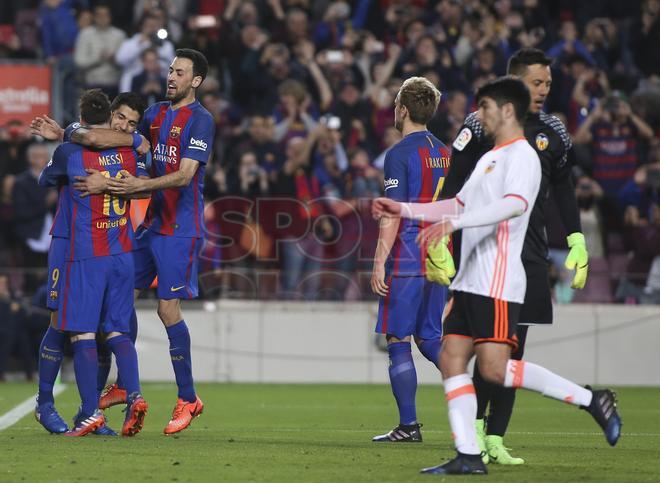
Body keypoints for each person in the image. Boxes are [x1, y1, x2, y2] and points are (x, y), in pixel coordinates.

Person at [372, 76, 621, 475]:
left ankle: (592, 400)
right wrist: (405, 211)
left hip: (498, 278)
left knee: (494, 369)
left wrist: (456, 225)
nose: (478, 116)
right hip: (468, 278)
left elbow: (514, 206)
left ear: (507, 111)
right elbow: (456, 202)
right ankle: (468, 455)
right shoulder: (489, 158)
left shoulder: (522, 156)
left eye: (485, 108)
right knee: (452, 358)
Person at [438, 48, 590, 464]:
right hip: (481, 256)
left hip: (529, 257)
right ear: (516, 83)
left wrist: (576, 238)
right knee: (469, 352)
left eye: (548, 84)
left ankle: (493, 437)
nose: (543, 91)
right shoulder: (481, 125)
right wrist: (446, 245)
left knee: (512, 350)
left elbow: (563, 188)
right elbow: (454, 185)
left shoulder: (553, 131)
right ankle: (476, 432)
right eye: (537, 83)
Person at [100, 49, 214, 435]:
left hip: (180, 229)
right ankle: (125, 384)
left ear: (196, 81)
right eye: (170, 70)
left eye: (180, 72)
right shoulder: (153, 114)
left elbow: (184, 176)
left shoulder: (201, 121)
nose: (172, 77)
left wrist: (140, 186)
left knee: (168, 311)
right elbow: (134, 148)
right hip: (151, 226)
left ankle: (188, 398)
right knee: (120, 293)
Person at [30, 91, 147, 436]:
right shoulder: (82, 147)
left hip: (99, 246)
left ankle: (89, 410)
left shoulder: (122, 147)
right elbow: (47, 179)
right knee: (61, 323)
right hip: (68, 241)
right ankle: (44, 403)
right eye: (121, 118)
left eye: (132, 123)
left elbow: (139, 183)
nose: (125, 126)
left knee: (98, 328)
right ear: (110, 115)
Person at [370, 76, 452, 443]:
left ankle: (408, 426)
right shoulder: (447, 152)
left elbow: (392, 214)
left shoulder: (399, 154)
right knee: (431, 337)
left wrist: (378, 261)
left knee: (398, 338)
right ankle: (476, 402)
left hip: (406, 256)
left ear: (402, 109)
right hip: (439, 256)